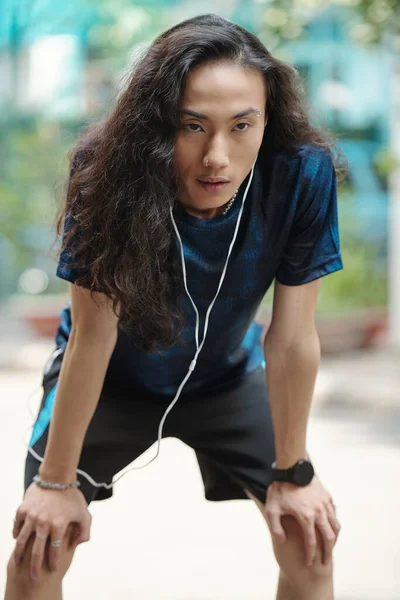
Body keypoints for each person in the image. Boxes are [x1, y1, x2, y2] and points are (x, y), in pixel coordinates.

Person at [6, 13, 347, 600]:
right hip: (110, 377)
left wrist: (294, 473)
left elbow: (292, 337)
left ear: (268, 120)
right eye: (193, 127)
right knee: (38, 551)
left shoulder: (299, 175)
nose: (217, 155)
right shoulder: (105, 173)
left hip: (226, 375)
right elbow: (93, 337)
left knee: (305, 535)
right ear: (157, 125)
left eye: (242, 125)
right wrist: (56, 484)